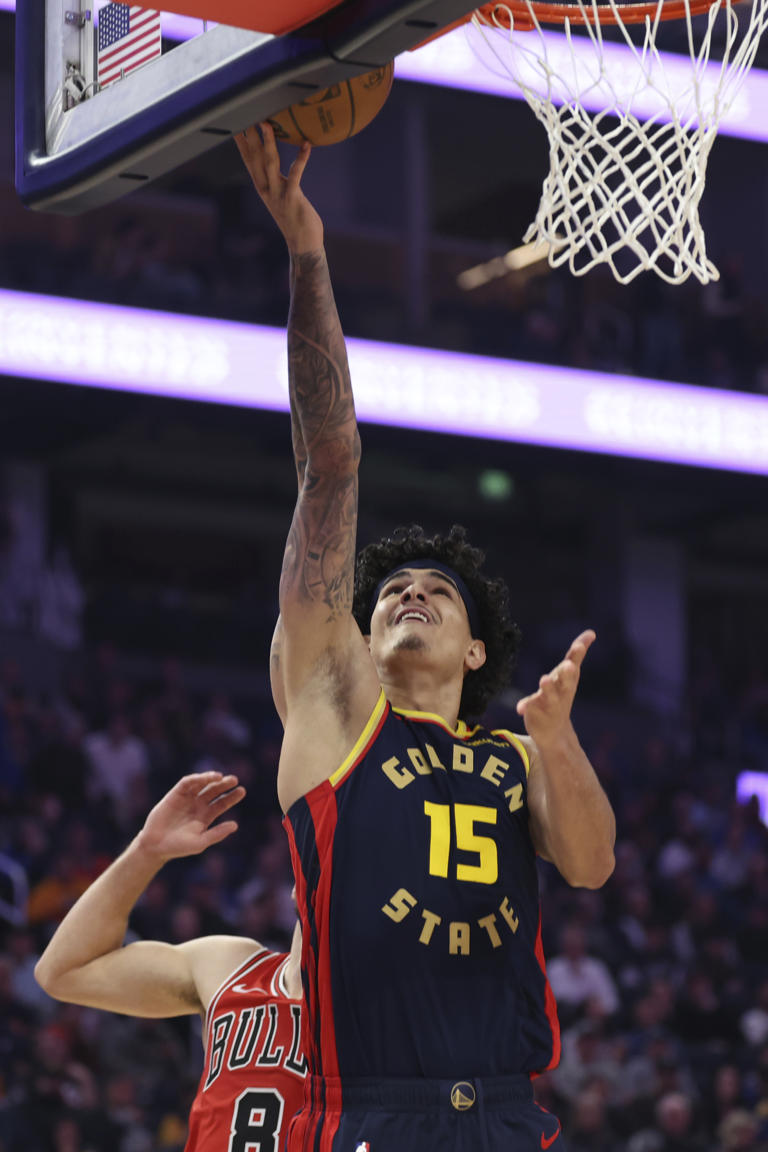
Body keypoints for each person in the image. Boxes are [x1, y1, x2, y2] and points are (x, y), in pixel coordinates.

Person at [237, 122, 616, 1152]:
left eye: (435, 593)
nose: (410, 594)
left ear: (477, 650)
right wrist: (310, 252)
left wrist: (560, 735)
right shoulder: (334, 713)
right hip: (375, 1114)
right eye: (390, 590)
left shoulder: (515, 753)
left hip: (508, 1111)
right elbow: (332, 461)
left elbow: (588, 864)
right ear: (355, 634)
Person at [34, 771, 306, 1152]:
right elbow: (63, 971)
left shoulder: (386, 1002)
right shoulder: (230, 964)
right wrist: (147, 852)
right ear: (296, 887)